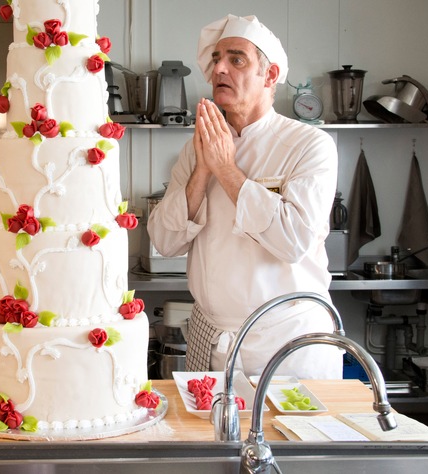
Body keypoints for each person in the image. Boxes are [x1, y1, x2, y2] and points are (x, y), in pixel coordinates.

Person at [147, 14, 343, 379]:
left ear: (269, 76)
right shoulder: (196, 150)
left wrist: (224, 168)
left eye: (236, 59)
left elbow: (293, 241)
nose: (219, 68)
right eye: (216, 59)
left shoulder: (308, 145)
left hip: (287, 344)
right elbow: (165, 240)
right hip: (214, 338)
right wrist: (203, 167)